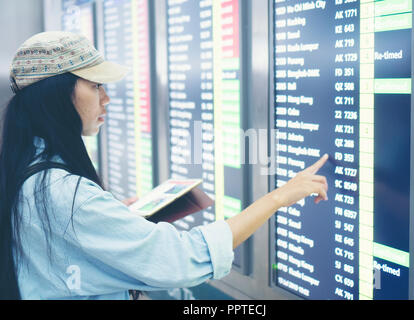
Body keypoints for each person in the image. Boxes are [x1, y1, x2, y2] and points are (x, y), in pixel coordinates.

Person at [0, 31, 329, 300]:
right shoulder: (66, 196)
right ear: (57, 95)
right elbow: (181, 259)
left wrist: (111, 216)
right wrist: (278, 198)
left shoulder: (30, 170)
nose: (106, 98)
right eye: (95, 85)